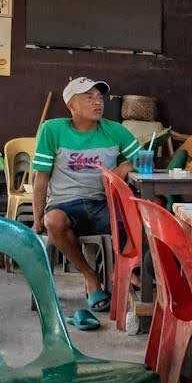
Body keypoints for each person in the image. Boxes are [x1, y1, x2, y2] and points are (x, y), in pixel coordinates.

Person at [32, 77, 141, 313]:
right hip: (64, 204)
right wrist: (37, 218)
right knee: (54, 222)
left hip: (102, 203)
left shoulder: (115, 130)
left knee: (137, 219)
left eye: (99, 97)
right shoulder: (52, 130)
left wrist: (125, 166)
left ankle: (122, 272)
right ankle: (90, 276)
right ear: (72, 105)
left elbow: (144, 157)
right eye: (88, 97)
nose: (97, 102)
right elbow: (40, 177)